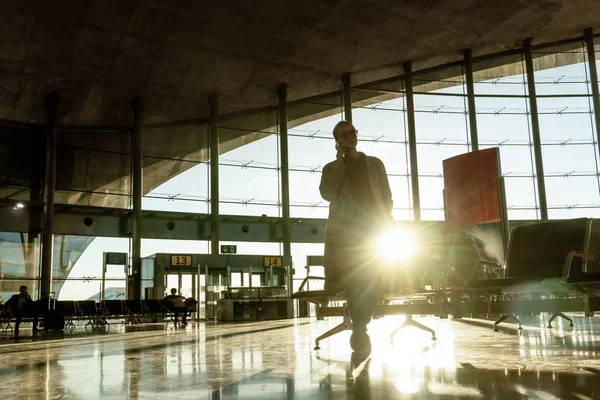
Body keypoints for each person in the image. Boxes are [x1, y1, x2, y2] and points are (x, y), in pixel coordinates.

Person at [319, 120, 393, 353]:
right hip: (346, 237)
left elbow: (386, 196)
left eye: (352, 132)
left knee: (370, 277)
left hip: (373, 232)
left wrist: (385, 220)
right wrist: (340, 163)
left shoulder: (375, 164)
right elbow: (328, 194)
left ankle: (361, 325)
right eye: (344, 134)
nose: (350, 136)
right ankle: (360, 328)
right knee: (354, 279)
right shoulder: (331, 168)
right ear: (337, 141)